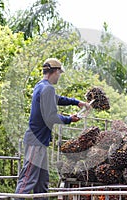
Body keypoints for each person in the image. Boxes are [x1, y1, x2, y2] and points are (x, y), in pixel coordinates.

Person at [15, 58, 90, 200]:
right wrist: (69, 119)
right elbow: (50, 117)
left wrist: (77, 102)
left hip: (40, 142)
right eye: (59, 73)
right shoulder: (47, 87)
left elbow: (58, 99)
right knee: (27, 180)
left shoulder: (41, 86)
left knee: (42, 183)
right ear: (54, 72)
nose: (59, 76)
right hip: (35, 142)